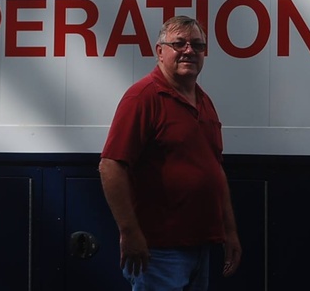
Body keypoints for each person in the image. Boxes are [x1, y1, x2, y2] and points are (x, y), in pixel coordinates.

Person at [100, 15, 242, 291]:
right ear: (160, 51)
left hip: (200, 246)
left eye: (197, 46)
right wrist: (130, 232)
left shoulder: (204, 101)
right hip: (159, 252)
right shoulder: (143, 97)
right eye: (179, 44)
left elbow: (215, 170)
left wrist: (230, 231)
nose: (189, 51)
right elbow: (111, 166)